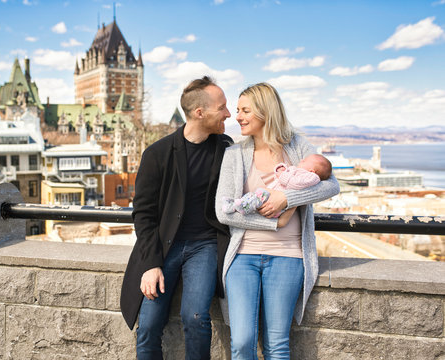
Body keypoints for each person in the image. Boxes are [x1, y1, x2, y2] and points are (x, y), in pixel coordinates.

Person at [215, 82, 340, 359]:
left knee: (277, 343)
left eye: (245, 110)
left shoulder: (296, 145)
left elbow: (331, 185)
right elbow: (224, 211)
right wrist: (274, 222)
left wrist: (286, 200)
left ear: (266, 111)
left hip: (288, 256)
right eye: (237, 110)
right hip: (243, 257)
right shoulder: (234, 153)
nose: (238, 116)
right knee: (242, 342)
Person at [120, 76, 233, 360]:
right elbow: (143, 214)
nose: (228, 114)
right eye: (222, 108)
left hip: (205, 245)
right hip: (163, 247)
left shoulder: (226, 149)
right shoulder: (157, 154)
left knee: (195, 317)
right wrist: (151, 264)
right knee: (147, 326)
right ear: (200, 113)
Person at [222, 153, 332, 215]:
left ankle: (240, 207)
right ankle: (236, 204)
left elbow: (296, 184)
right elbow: (284, 173)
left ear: (312, 170)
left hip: (277, 204)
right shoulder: (297, 171)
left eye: (305, 161)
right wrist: (280, 168)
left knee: (257, 196)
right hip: (270, 194)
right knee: (253, 196)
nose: (301, 160)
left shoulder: (312, 177)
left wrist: (283, 176)